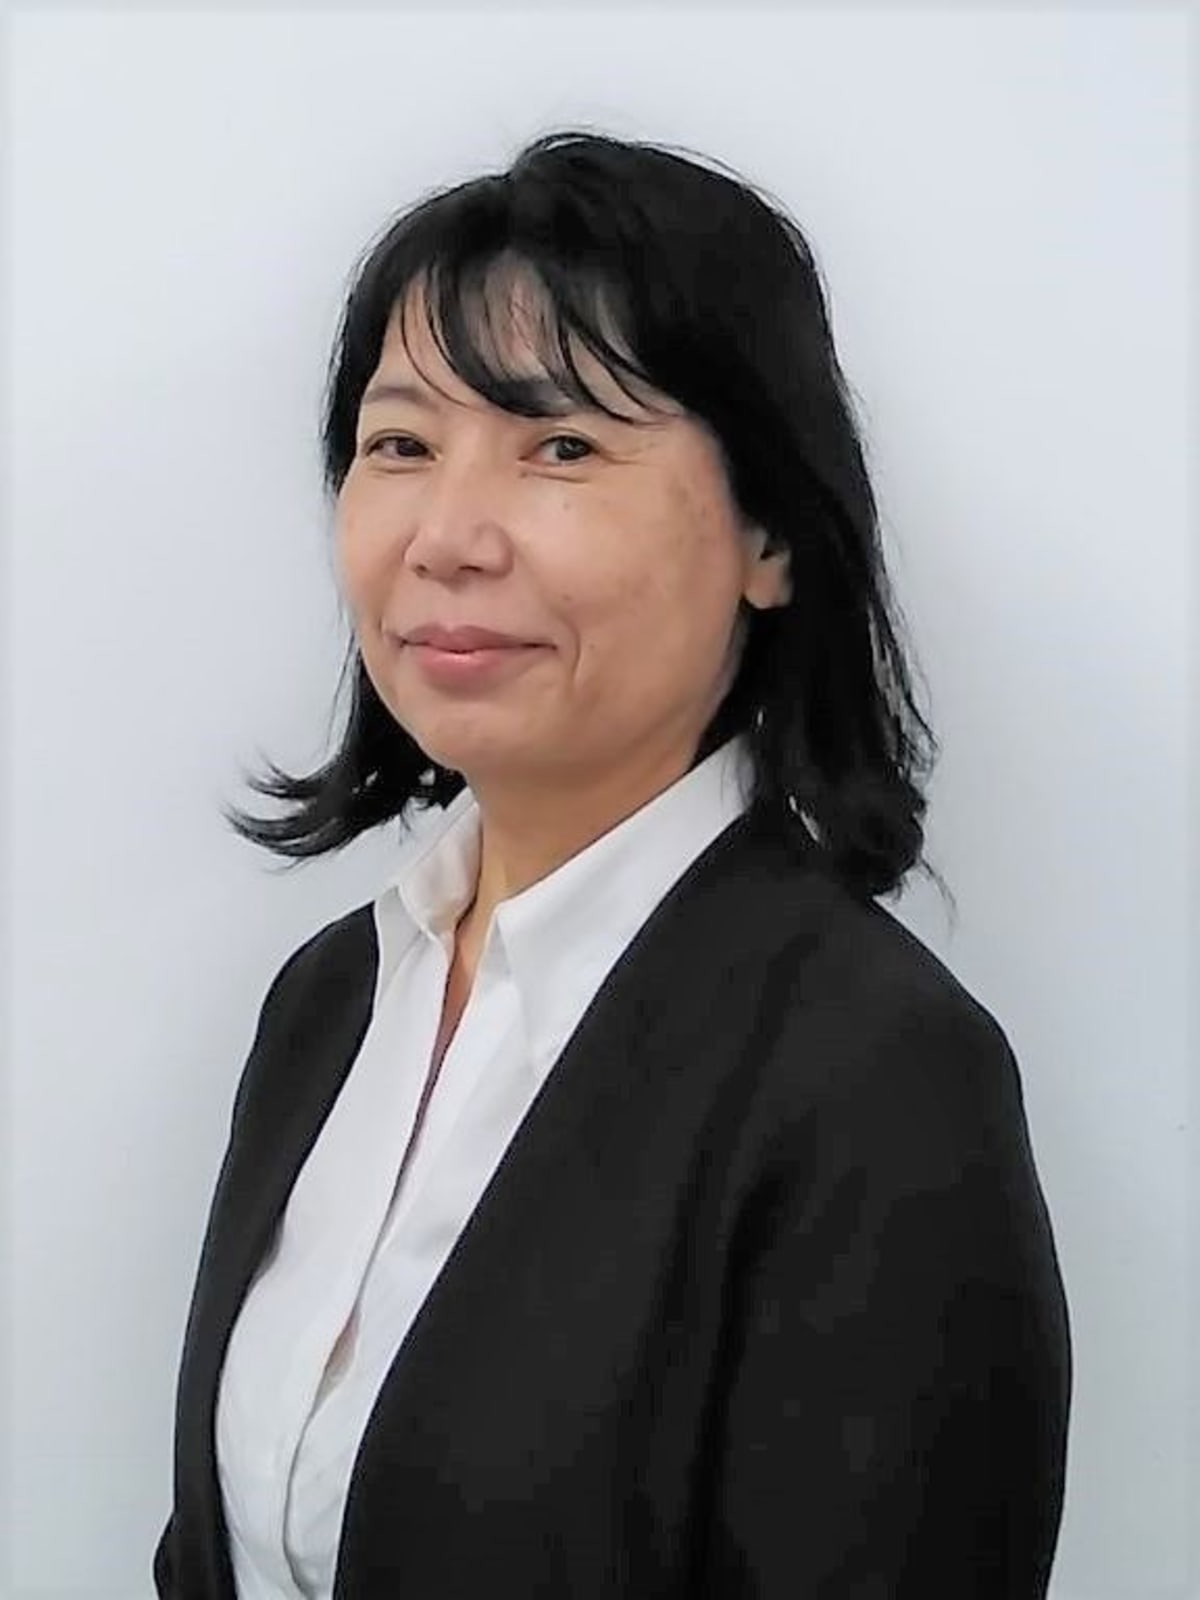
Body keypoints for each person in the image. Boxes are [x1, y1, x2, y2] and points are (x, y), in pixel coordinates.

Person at [153, 128, 1071, 1599]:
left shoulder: (877, 1075)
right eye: (400, 446)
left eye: (562, 446)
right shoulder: (329, 1002)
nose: (447, 537)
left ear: (771, 534)